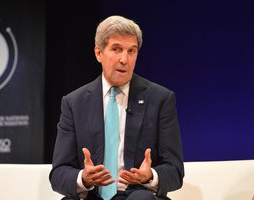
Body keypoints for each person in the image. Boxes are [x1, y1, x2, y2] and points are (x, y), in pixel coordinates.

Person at [49, 15, 184, 200]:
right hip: (92, 194)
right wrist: (84, 179)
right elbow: (58, 174)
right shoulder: (74, 103)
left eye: (131, 51)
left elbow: (175, 171)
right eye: (116, 49)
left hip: (137, 195)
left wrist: (150, 176)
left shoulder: (160, 99)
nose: (124, 59)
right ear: (98, 53)